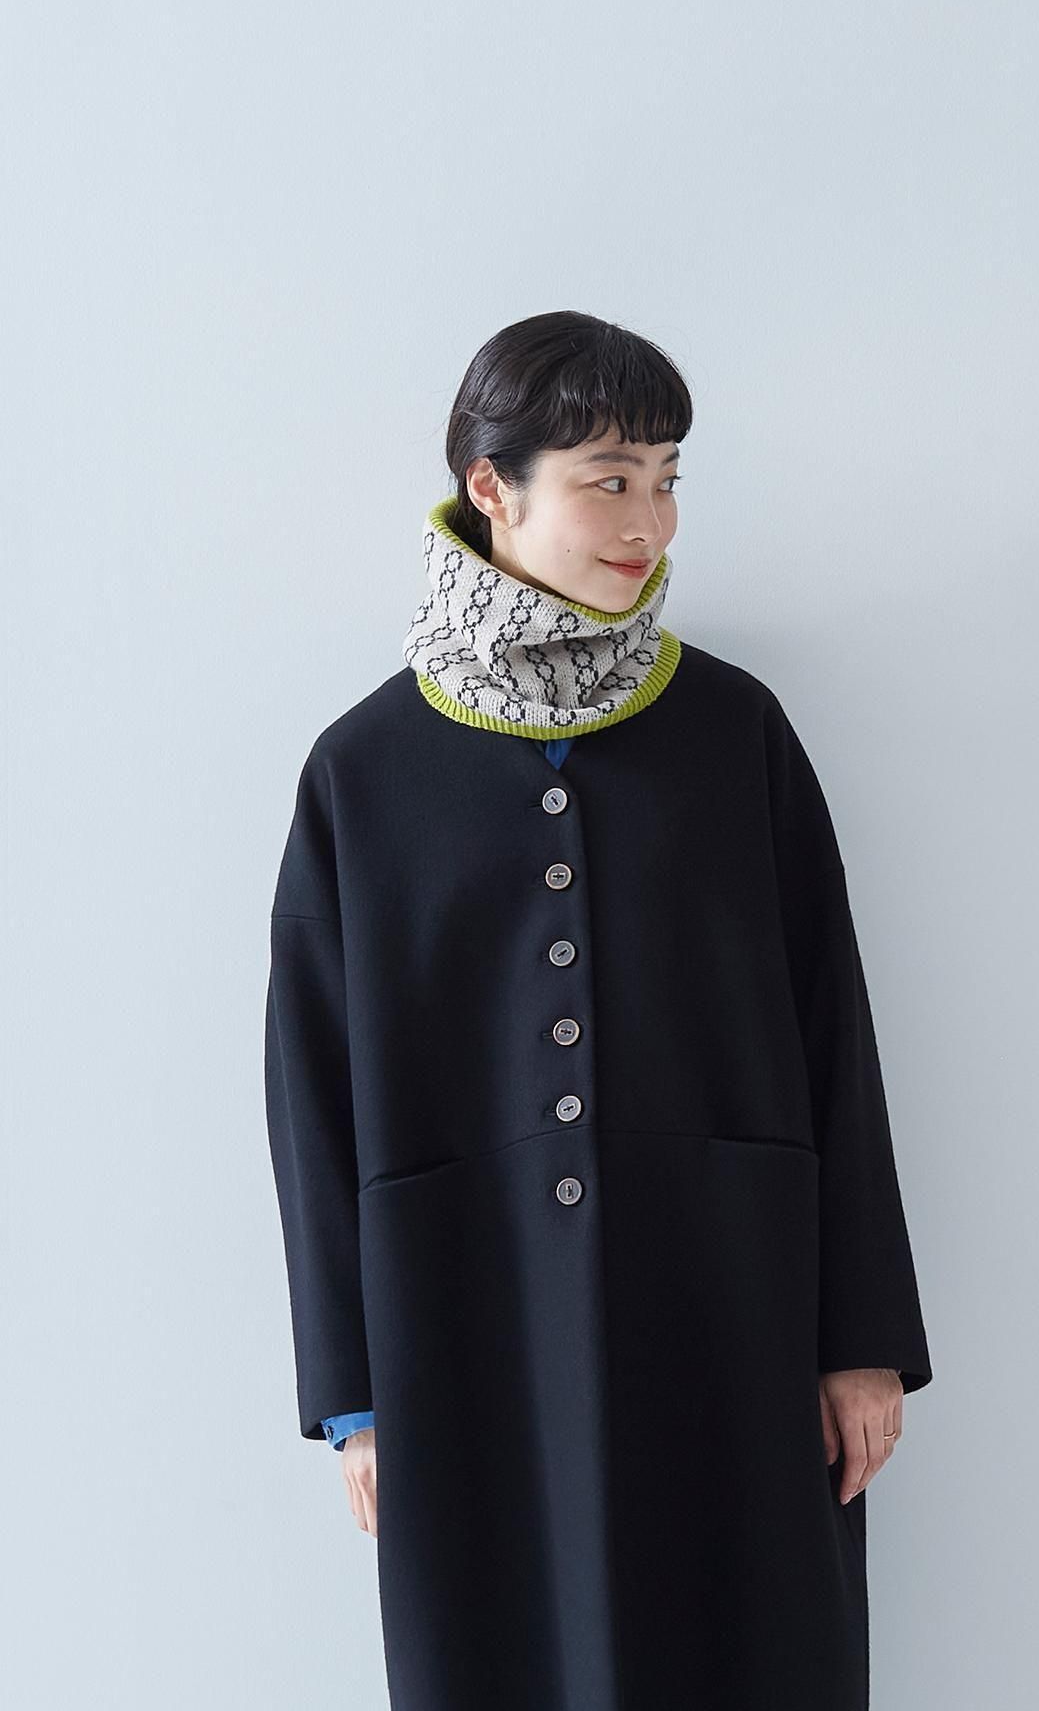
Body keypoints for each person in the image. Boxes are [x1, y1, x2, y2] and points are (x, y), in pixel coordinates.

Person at [264, 309, 933, 1710]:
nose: (650, 521)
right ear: (492, 487)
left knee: (757, 1651)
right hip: (466, 1315)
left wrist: (860, 1335)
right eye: (610, 479)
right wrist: (356, 1397)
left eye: (669, 478)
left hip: (733, 1303)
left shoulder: (736, 732)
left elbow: (834, 1032)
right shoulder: (363, 772)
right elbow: (310, 1096)